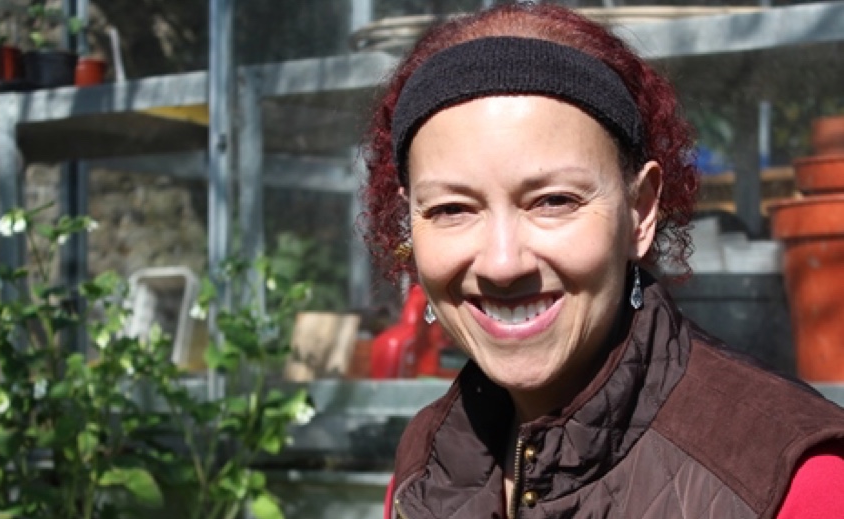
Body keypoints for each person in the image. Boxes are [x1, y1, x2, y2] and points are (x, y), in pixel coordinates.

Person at [360, 3, 844, 518]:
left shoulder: (794, 483)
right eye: (452, 209)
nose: (502, 263)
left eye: (554, 201)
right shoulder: (425, 468)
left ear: (640, 211)